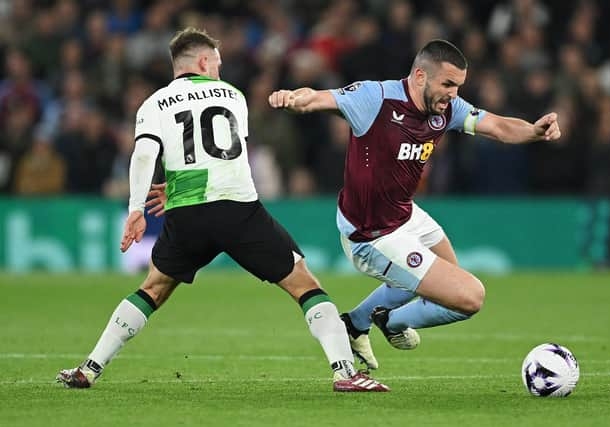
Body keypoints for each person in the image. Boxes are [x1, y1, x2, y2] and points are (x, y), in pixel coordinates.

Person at [56, 27, 388, 392]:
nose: (219, 68)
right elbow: (228, 156)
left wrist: (138, 208)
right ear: (203, 61)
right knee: (304, 283)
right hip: (238, 210)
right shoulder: (234, 96)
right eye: (217, 62)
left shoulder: (154, 103)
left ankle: (89, 368)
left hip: (187, 216)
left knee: (153, 287)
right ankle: (344, 372)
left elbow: (146, 154)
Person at [268, 39, 561, 370]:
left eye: (458, 86)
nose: (453, 93)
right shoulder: (375, 98)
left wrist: (534, 131)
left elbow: (498, 126)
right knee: (470, 297)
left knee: (450, 285)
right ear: (420, 76)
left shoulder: (447, 108)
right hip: (371, 234)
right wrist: (295, 99)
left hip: (406, 215)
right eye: (448, 84)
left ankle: (358, 324)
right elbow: (320, 97)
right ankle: (390, 321)